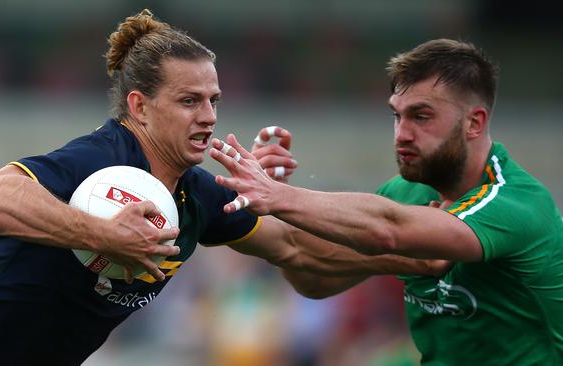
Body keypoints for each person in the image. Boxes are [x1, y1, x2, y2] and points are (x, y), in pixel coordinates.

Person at [0, 10, 449, 366]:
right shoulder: (103, 159)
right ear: (139, 107)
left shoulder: (200, 195)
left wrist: (408, 249)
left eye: (213, 100)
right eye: (190, 101)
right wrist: (101, 232)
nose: (209, 116)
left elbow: (296, 251)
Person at [210, 38, 563, 364]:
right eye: (398, 115)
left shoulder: (517, 204)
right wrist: (278, 201)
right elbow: (313, 280)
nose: (402, 134)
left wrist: (275, 195)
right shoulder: (405, 193)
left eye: (421, 116)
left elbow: (388, 230)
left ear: (474, 122)